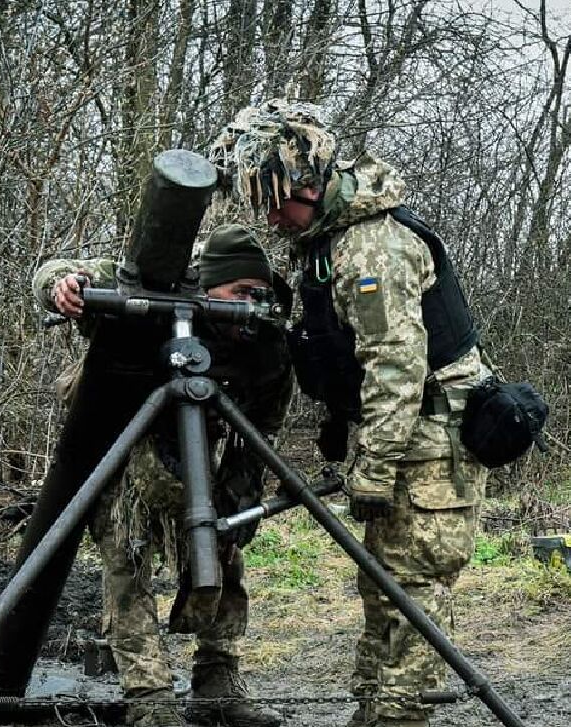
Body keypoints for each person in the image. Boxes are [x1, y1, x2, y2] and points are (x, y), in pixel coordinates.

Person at [209, 101, 489, 727]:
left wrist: (375, 469)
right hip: (402, 437)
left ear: (307, 185)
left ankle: (395, 718)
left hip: (431, 442)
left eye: (273, 201)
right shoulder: (325, 244)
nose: (269, 217)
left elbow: (396, 367)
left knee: (411, 595)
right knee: (383, 588)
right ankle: (373, 712)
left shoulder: (373, 249)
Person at [32, 225, 291, 727]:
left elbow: (264, 421)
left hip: (199, 443)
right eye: (239, 292)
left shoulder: (262, 340)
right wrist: (63, 286)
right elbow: (57, 272)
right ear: (209, 285)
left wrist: (241, 493)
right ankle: (149, 696)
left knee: (225, 550)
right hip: (122, 442)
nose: (251, 305)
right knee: (127, 561)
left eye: (259, 293)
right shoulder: (157, 292)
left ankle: (218, 681)